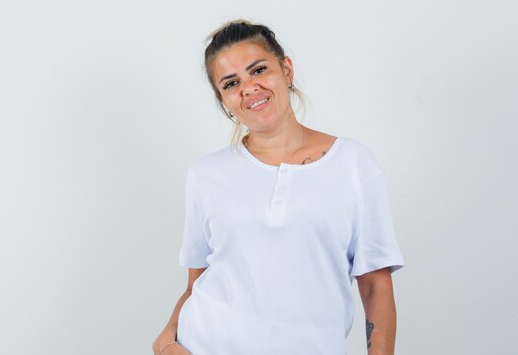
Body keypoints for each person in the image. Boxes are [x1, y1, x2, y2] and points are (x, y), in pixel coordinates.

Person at [152, 19, 405, 355]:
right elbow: (197, 283)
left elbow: (375, 286)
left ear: (286, 69)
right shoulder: (205, 174)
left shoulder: (354, 164)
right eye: (231, 83)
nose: (249, 88)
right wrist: (168, 342)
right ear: (223, 100)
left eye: (258, 70)